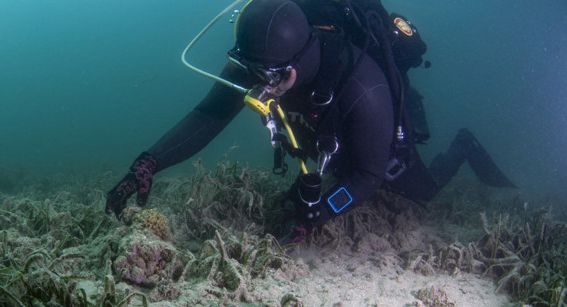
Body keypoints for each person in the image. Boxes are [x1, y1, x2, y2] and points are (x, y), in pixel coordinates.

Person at [105, 0, 515, 243]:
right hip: (324, 127)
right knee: (311, 181)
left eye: (267, 80)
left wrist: (317, 216)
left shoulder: (364, 87)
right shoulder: (263, 58)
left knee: (420, 189)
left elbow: (370, 175)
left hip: (367, 129)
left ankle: (463, 144)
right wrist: (149, 163)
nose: (259, 90)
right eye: (250, 75)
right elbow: (208, 116)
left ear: (294, 64)